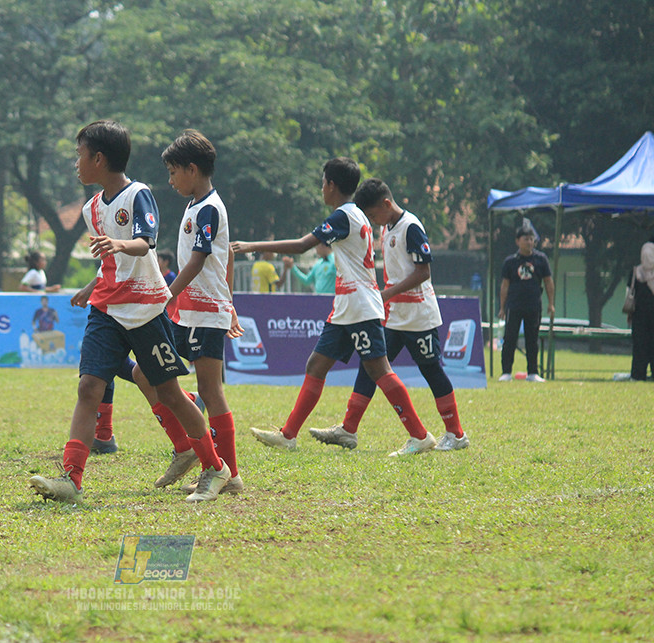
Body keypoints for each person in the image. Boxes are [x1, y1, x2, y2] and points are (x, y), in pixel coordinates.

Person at [29, 119, 230, 504]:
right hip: (106, 309)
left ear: (99, 159)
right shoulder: (90, 209)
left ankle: (214, 466)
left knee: (170, 394)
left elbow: (145, 241)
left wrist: (121, 245)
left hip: (145, 311)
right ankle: (71, 479)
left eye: (79, 155)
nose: (76, 163)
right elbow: (110, 262)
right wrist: (91, 287)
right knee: (89, 386)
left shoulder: (139, 194)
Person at [232, 157, 436, 457]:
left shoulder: (344, 216)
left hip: (359, 306)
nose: (321, 189)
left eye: (322, 183)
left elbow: (302, 245)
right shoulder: (356, 215)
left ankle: (420, 436)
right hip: (347, 307)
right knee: (316, 365)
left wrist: (252, 246)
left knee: (379, 370)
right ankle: (288, 435)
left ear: (331, 185)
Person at [309, 179, 468, 452]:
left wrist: (385, 294)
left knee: (431, 369)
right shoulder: (386, 228)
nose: (372, 221)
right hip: (394, 317)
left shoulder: (411, 227)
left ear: (386, 204)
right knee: (370, 367)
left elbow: (423, 272)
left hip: (419, 315)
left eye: (372, 215)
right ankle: (349, 429)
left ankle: (456, 434)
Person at [130, 129, 244, 495]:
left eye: (173, 172)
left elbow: (198, 261)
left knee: (211, 390)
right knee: (145, 373)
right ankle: (186, 447)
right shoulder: (197, 205)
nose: (170, 180)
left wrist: (166, 295)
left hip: (205, 313)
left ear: (191, 169)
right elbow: (225, 258)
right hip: (189, 313)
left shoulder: (209, 207)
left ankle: (229, 474)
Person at [498, 220, 555, 382]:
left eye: (531, 239)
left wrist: (551, 303)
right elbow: (505, 285)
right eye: (526, 239)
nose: (529, 242)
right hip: (514, 305)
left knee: (532, 339)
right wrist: (502, 307)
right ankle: (506, 372)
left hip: (533, 305)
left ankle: (532, 373)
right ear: (518, 241)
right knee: (510, 338)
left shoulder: (541, 259)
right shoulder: (510, 262)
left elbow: (548, 282)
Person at [626, 242, 654, 381]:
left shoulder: (635, 272)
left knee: (640, 347)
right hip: (644, 318)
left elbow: (629, 293)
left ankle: (638, 374)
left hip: (639, 317)